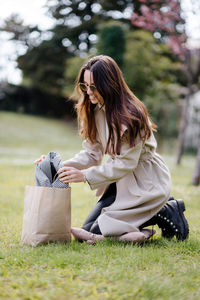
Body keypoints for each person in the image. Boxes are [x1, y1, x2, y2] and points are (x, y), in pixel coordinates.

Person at [35, 55, 189, 244]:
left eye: (93, 87)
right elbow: (91, 154)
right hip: (119, 181)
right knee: (89, 230)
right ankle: (135, 232)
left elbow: (126, 164)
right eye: (84, 86)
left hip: (145, 182)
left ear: (110, 84)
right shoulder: (93, 108)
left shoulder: (132, 116)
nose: (88, 92)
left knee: (101, 231)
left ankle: (163, 210)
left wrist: (84, 176)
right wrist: (55, 166)